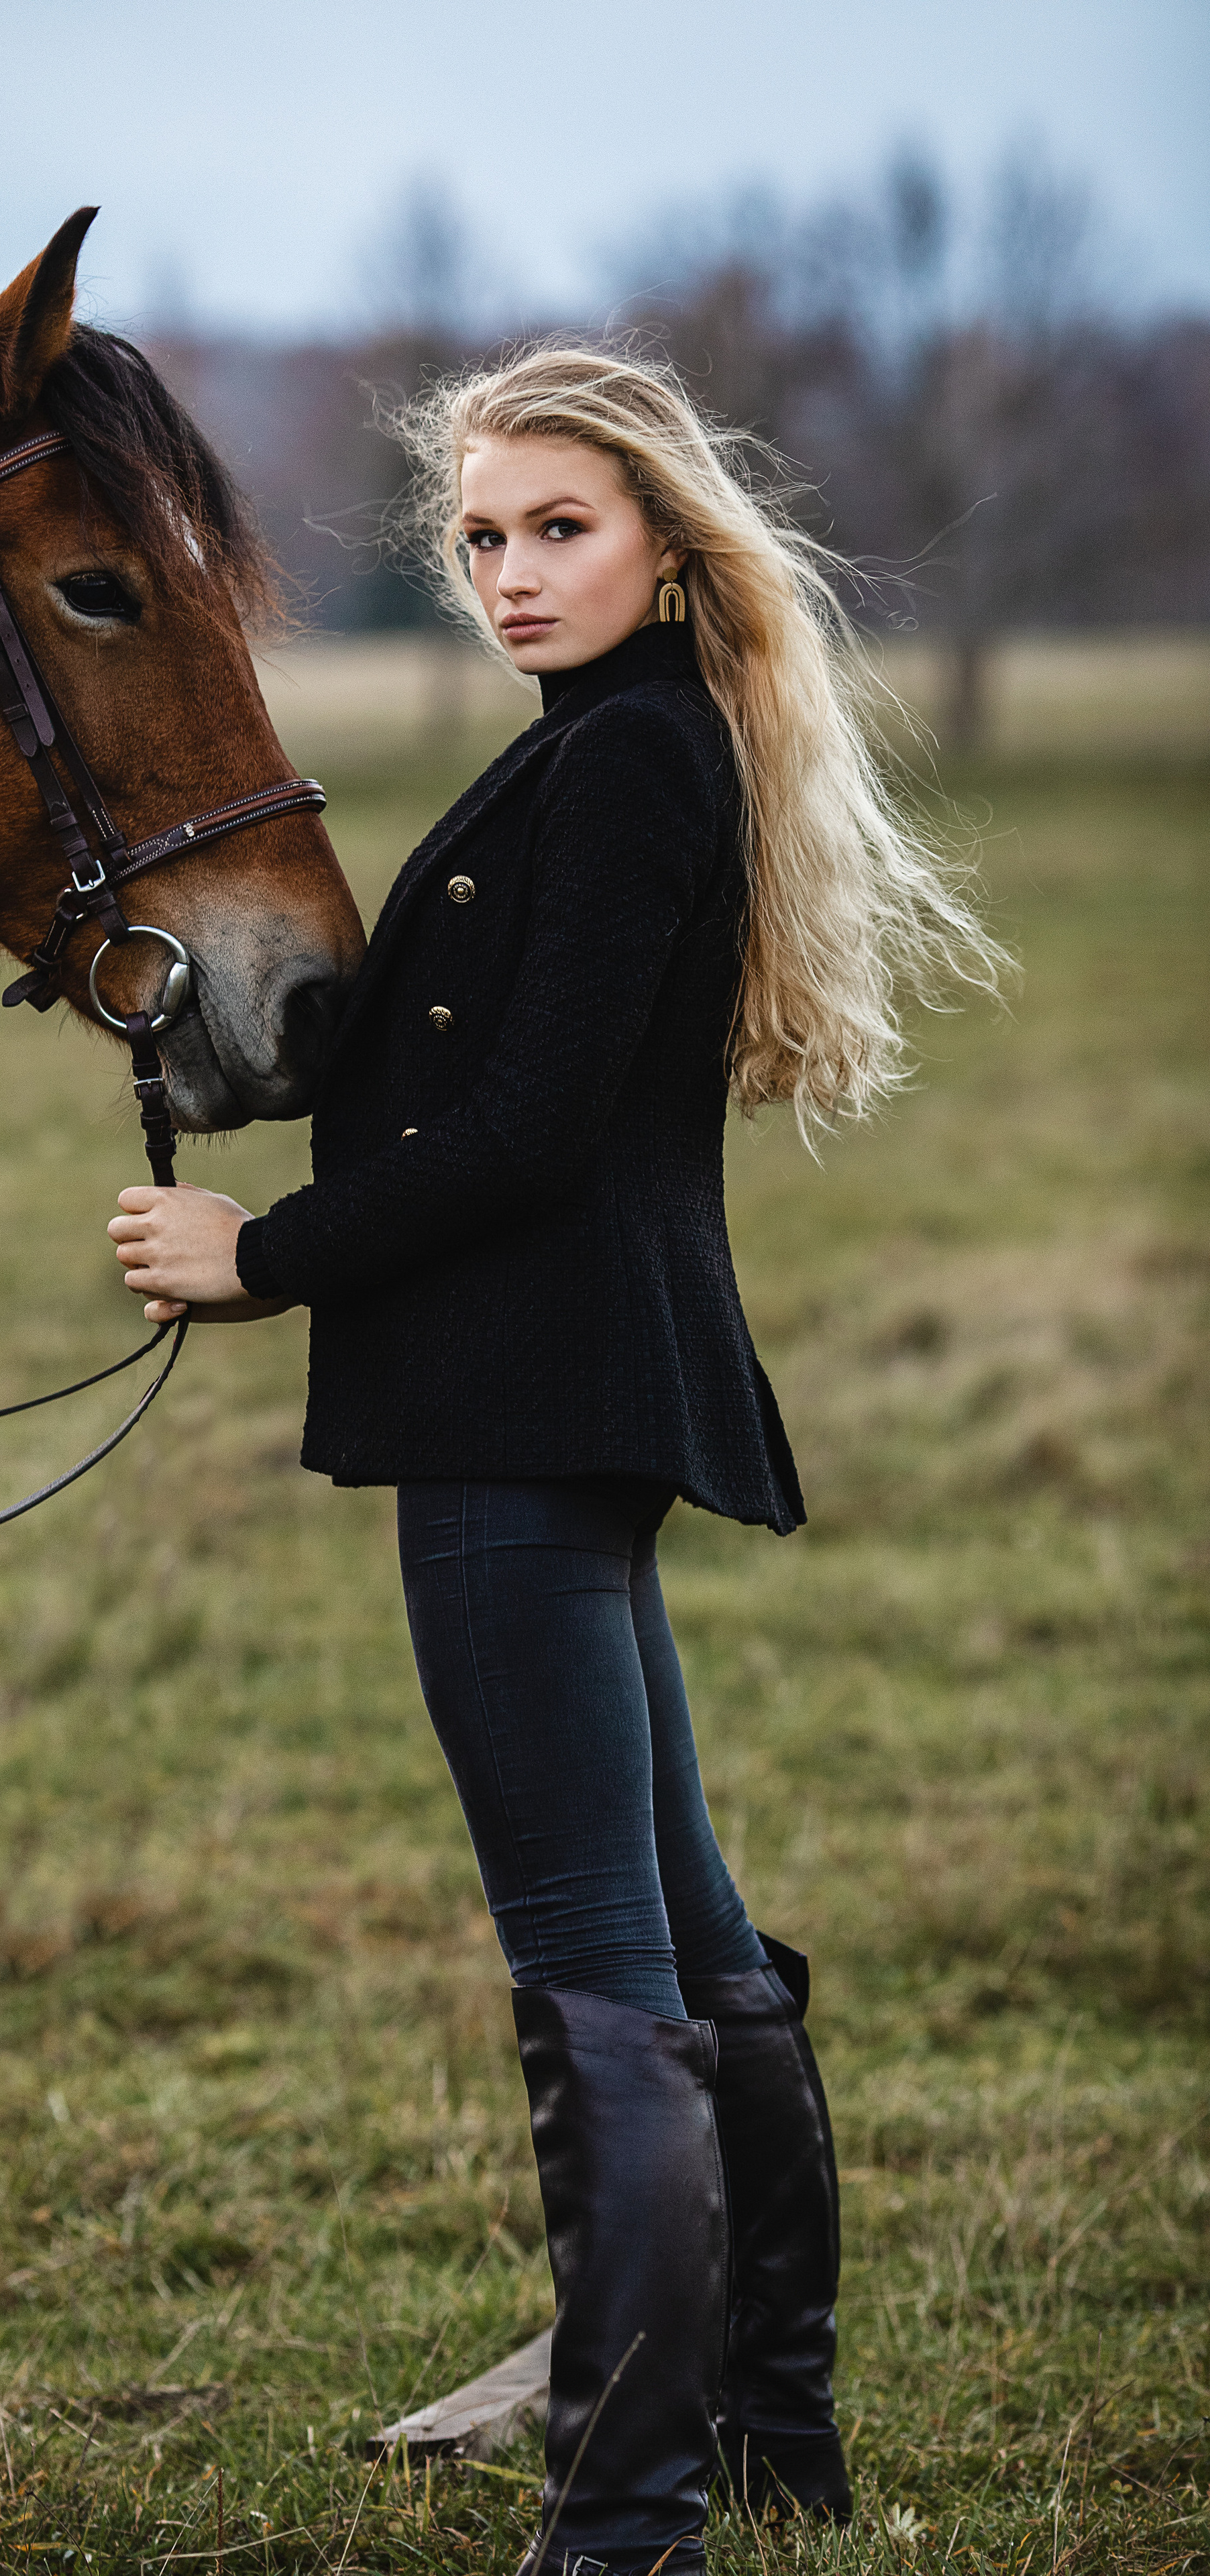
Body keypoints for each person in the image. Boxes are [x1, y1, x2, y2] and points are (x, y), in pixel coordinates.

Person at [107, 345, 1005, 2576]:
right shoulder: (607, 751)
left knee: (599, 1961)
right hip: (566, 1400)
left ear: (666, 545)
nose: (511, 572)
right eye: (484, 538)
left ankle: (628, 2521)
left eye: (561, 529)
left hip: (525, 1406)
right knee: (693, 1943)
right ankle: (768, 2432)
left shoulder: (624, 772)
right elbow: (456, 1072)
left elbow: (511, 1141)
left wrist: (264, 1257)